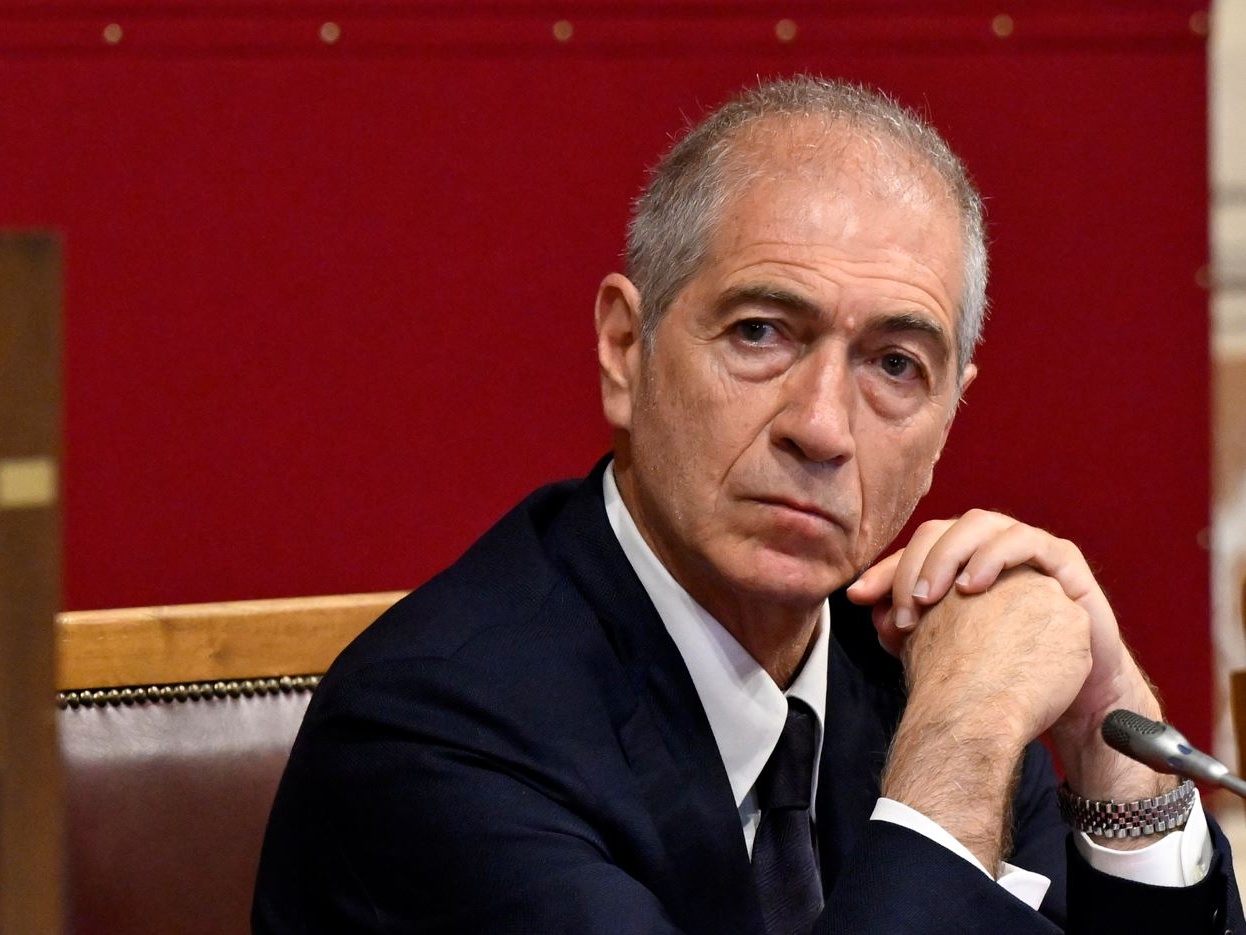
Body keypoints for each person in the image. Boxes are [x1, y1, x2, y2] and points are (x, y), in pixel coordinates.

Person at [253, 76, 1243, 933]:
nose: (822, 426)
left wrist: (1111, 740)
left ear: (949, 419)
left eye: (895, 364)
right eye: (761, 332)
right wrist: (961, 737)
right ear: (623, 349)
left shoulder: (913, 663)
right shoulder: (431, 733)